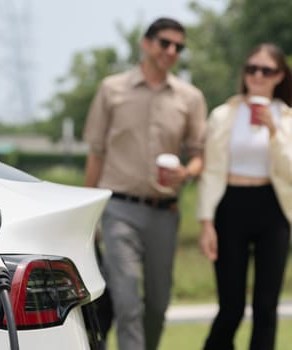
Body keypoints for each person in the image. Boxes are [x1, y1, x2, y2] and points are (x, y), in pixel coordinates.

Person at [83, 17, 207, 350]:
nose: (171, 51)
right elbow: (96, 154)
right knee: (126, 301)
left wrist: (187, 172)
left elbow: (199, 154)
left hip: (163, 213)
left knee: (157, 304)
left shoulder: (190, 98)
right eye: (165, 43)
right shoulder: (112, 89)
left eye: (178, 47)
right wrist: (88, 215)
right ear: (146, 43)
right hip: (118, 209)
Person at [197, 43, 292, 350]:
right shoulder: (222, 115)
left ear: (279, 76)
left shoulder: (288, 118)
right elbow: (211, 173)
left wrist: (274, 132)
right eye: (252, 68)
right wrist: (206, 222)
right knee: (230, 308)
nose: (258, 75)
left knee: (266, 307)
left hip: (272, 208)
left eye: (266, 70)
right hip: (230, 206)